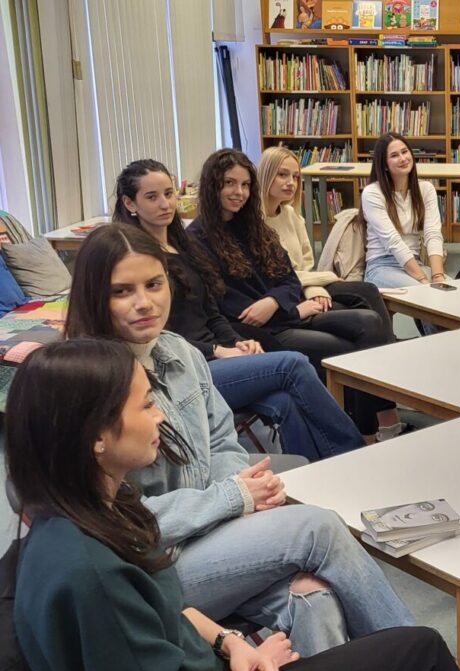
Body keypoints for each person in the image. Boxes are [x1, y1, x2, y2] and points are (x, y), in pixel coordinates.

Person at [6, 339, 460, 671]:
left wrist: (230, 643)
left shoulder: (97, 507)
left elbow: (166, 608)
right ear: (98, 437)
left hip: (223, 657)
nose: (161, 415)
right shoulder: (93, 576)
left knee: (320, 599)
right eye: (146, 404)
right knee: (420, 649)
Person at [63, 225, 415, 657]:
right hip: (151, 569)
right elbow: (112, 522)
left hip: (211, 536)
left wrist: (239, 495)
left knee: (313, 596)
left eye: (154, 284)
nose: (144, 303)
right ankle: (425, 660)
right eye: (122, 291)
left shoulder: (182, 353)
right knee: (318, 528)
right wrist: (231, 499)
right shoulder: (84, 383)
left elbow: (223, 441)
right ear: (95, 297)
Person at [113, 159, 363, 461]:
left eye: (169, 193)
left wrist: (236, 342)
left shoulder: (185, 246)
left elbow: (212, 310)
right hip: (185, 370)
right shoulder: (135, 261)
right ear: (130, 203)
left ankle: (311, 473)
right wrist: (217, 350)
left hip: (219, 356)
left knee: (284, 400)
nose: (165, 204)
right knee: (293, 365)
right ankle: (354, 453)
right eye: (152, 197)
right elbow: (158, 335)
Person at [187, 148, 404, 443]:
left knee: (370, 322)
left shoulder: (253, 226)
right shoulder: (197, 238)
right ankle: (364, 432)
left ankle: (369, 427)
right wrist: (286, 309)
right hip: (263, 330)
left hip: (286, 314)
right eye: (229, 183)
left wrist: (276, 301)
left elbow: (289, 277)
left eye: (245, 185)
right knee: (350, 349)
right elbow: (225, 305)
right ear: (213, 185)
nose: (239, 192)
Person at [257, 146, 394, 339]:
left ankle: (388, 344)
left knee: (368, 291)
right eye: (282, 175)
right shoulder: (256, 224)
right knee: (352, 311)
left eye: (295, 177)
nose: (291, 183)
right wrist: (325, 278)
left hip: (303, 284)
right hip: (284, 293)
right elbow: (274, 277)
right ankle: (386, 346)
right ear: (266, 175)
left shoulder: (291, 215)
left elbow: (306, 264)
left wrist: (315, 289)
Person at [360, 133, 448, 335]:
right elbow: (394, 243)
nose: (403, 158)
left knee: (453, 297)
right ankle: (439, 350)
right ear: (384, 164)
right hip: (382, 266)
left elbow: (434, 234)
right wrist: (425, 282)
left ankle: (446, 349)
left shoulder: (425, 189)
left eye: (405, 152)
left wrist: (437, 276)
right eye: (394, 155)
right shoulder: (373, 193)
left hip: (416, 262)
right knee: (429, 298)